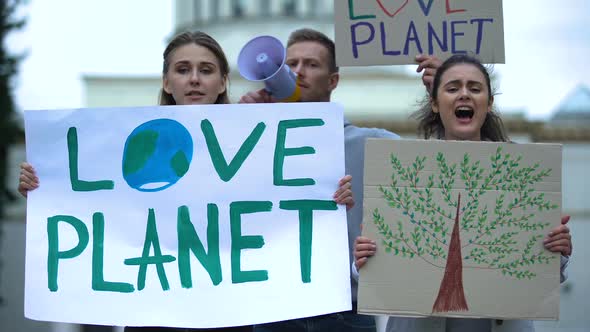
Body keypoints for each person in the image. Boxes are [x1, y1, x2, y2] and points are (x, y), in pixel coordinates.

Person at [18, 31, 354, 332]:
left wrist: (330, 198)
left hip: (231, 314)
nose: (194, 79)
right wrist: (46, 187)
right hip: (156, 315)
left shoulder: (258, 146)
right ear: (166, 82)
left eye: (206, 71)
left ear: (223, 82)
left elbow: (288, 214)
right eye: (182, 70)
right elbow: (102, 210)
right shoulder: (129, 147)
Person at [353, 54, 573, 332]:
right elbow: (378, 279)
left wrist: (558, 252)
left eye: (475, 88)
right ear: (435, 102)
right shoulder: (403, 175)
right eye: (453, 88)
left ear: (489, 103)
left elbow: (543, 277)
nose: (464, 94)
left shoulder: (522, 176)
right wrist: (363, 260)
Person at [240, 27, 439, 332]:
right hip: (273, 311)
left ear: (333, 80)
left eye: (311, 64)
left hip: (346, 313)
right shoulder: (252, 140)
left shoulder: (371, 144)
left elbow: (443, 171)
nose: (297, 72)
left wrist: (441, 94)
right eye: (290, 64)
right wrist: (237, 128)